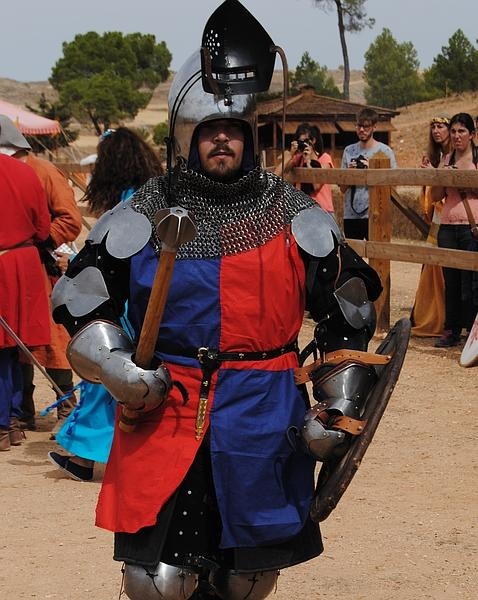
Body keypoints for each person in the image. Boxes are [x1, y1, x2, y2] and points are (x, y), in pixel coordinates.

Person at [51, 4, 383, 599]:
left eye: (232, 130)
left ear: (250, 135)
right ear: (188, 136)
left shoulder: (292, 215)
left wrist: (336, 405)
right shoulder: (147, 210)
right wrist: (118, 367)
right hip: (166, 404)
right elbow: (81, 296)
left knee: (247, 579)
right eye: (210, 131)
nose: (222, 139)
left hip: (263, 409)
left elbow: (349, 312)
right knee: (158, 580)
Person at [48, 127, 164, 482]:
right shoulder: (151, 195)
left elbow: (114, 255)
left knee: (108, 377)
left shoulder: (129, 203)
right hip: (145, 297)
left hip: (128, 301)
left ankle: (84, 455)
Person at [0, 114, 82, 432]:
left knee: (52, 340)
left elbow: (70, 219)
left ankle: (66, 407)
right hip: (21, 264)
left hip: (42, 265)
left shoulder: (43, 171)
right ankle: (23, 412)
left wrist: (38, 241)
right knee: (17, 344)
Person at [0, 153, 51, 451]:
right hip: (24, 262)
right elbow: (42, 228)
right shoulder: (25, 171)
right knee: (16, 348)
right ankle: (15, 421)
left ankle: (4, 424)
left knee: (3, 350)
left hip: (5, 263)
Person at [431, 112, 478, 348]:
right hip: (448, 225)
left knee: (471, 282)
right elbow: (436, 196)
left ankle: (472, 330)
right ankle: (451, 329)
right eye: (454, 131)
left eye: (462, 131)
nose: (457, 136)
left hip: (472, 227)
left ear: (472, 134)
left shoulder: (477, 159)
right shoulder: (446, 158)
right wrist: (441, 175)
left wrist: (462, 180)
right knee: (451, 280)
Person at [410, 116, 450, 337]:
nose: (436, 131)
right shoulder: (435, 157)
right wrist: (427, 174)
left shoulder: (455, 156)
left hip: (452, 214)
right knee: (432, 268)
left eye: (441, 126)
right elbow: (427, 198)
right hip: (437, 215)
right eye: (433, 126)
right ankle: (432, 317)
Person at [340, 107, 397, 240]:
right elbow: (342, 189)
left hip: (376, 213)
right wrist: (351, 173)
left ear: (374, 127)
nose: (361, 130)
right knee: (353, 258)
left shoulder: (385, 152)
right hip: (351, 214)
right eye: (359, 126)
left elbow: (393, 185)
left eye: (366, 127)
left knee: (378, 257)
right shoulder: (349, 151)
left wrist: (372, 170)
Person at [282, 123, 335, 217]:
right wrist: (291, 154)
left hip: (323, 210)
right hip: (303, 210)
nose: (302, 145)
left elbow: (316, 186)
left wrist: (309, 161)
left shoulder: (325, 158)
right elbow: (284, 172)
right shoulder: (298, 159)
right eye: (300, 142)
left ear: (313, 141)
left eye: (304, 141)